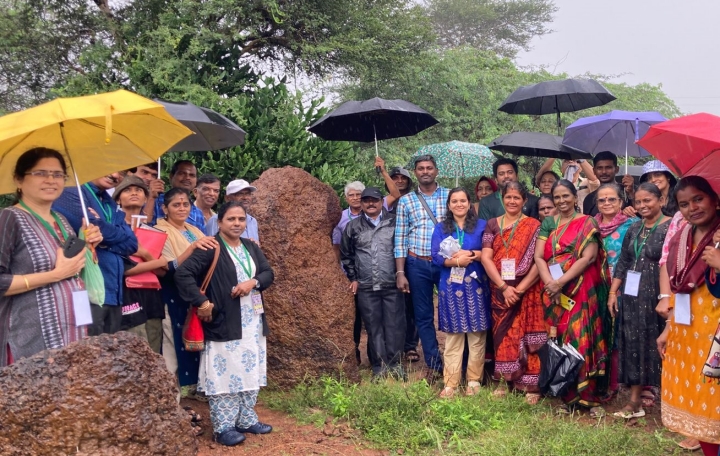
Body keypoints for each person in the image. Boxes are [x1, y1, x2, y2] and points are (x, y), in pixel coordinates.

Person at [175, 202, 274, 447]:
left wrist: (253, 283)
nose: (237, 223)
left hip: (252, 321)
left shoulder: (251, 246)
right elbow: (183, 274)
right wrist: (202, 302)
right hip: (224, 322)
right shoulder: (211, 247)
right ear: (220, 223)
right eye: (231, 219)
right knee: (226, 374)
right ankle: (223, 427)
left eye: (241, 219)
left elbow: (267, 273)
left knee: (250, 371)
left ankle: (246, 419)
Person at [0, 148, 102, 367]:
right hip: (29, 337)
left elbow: (73, 270)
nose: (51, 180)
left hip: (71, 330)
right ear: (19, 179)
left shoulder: (62, 220)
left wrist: (89, 247)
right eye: (40, 173)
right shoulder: (9, 218)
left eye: (57, 175)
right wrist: (55, 275)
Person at [534, 179, 610, 415]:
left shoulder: (587, 222)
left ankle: (588, 396)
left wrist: (560, 282)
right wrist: (549, 283)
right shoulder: (548, 223)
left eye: (565, 196)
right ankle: (566, 396)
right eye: (557, 197)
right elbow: (539, 257)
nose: (561, 201)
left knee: (580, 336)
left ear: (574, 197)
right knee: (559, 340)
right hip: (552, 292)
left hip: (580, 289)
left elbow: (588, 257)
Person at [658, 176, 720, 456]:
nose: (692, 208)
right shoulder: (683, 234)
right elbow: (680, 285)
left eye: (699, 199)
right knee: (698, 407)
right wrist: (669, 327)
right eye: (684, 204)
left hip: (714, 335)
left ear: (714, 199)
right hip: (687, 332)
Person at [480, 181, 546, 404]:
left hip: (527, 290)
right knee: (503, 335)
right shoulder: (492, 224)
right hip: (499, 288)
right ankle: (504, 380)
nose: (512, 201)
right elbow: (486, 258)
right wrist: (503, 287)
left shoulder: (534, 225)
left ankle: (531, 385)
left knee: (529, 333)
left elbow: (539, 261)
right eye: (508, 197)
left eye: (517, 198)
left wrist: (520, 288)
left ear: (525, 201)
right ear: (502, 199)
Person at [608, 183, 669, 419]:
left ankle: (672, 403)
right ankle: (634, 401)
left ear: (661, 201)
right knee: (634, 343)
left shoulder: (672, 225)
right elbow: (623, 262)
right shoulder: (634, 228)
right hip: (632, 297)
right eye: (638, 201)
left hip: (660, 296)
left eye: (648, 201)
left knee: (662, 345)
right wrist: (614, 293)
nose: (642, 206)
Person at [53, 169, 138, 336]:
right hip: (85, 290)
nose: (115, 176)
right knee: (88, 352)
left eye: (121, 173)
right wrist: (109, 229)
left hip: (113, 291)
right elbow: (89, 227)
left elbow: (132, 243)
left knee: (110, 354)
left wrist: (103, 235)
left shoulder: (109, 202)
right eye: (111, 168)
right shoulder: (72, 191)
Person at [155, 188, 219, 396]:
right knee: (172, 348)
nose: (182, 208)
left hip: (194, 293)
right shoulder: (159, 231)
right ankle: (168, 402)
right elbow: (167, 268)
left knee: (194, 341)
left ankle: (190, 394)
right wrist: (192, 248)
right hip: (172, 294)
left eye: (185, 204)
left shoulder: (193, 229)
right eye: (176, 205)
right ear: (165, 208)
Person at [340, 187, 405, 378]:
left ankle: (396, 366)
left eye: (374, 200)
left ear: (381, 202)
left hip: (392, 284)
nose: (370, 204)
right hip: (366, 286)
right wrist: (353, 277)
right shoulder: (353, 227)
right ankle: (379, 367)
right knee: (373, 327)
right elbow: (346, 255)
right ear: (361, 203)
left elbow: (403, 249)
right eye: (366, 200)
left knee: (394, 327)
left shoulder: (394, 222)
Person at [431, 188, 490, 397]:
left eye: (463, 200)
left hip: (476, 286)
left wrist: (472, 254)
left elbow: (491, 252)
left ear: (469, 203)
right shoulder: (441, 228)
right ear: (449, 205)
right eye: (454, 201)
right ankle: (451, 383)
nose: (459, 204)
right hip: (451, 286)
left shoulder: (482, 227)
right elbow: (436, 257)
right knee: (454, 337)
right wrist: (456, 261)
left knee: (476, 335)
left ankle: (474, 381)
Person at [395, 155, 449, 380]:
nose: (425, 171)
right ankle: (435, 364)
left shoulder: (450, 196)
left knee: (452, 311)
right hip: (416, 263)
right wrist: (400, 272)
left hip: (446, 263)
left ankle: (457, 362)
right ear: (415, 173)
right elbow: (400, 237)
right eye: (420, 168)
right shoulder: (406, 201)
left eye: (429, 168)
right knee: (423, 315)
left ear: (436, 171)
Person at [113, 176, 168, 353]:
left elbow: (162, 272)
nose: (134, 193)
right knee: (132, 352)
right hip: (127, 298)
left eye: (139, 190)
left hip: (152, 298)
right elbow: (124, 270)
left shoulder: (153, 231)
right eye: (127, 190)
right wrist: (156, 260)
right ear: (118, 199)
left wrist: (146, 255)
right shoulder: (114, 229)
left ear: (146, 199)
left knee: (153, 352)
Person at [593, 182, 635, 402]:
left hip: (624, 289)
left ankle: (615, 384)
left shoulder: (633, 225)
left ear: (621, 201)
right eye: (602, 200)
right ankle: (598, 380)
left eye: (611, 199)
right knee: (599, 334)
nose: (606, 203)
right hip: (595, 288)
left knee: (618, 336)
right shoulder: (589, 225)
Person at [150, 160, 205, 231]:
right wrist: (151, 198)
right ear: (171, 176)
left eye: (192, 175)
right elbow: (144, 227)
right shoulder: (155, 201)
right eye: (182, 173)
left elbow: (203, 239)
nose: (187, 177)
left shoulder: (198, 213)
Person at [582, 152, 632, 216]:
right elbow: (587, 223)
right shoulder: (589, 199)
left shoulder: (627, 191)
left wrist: (631, 193)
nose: (604, 172)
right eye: (599, 168)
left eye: (608, 167)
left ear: (616, 169)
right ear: (594, 171)